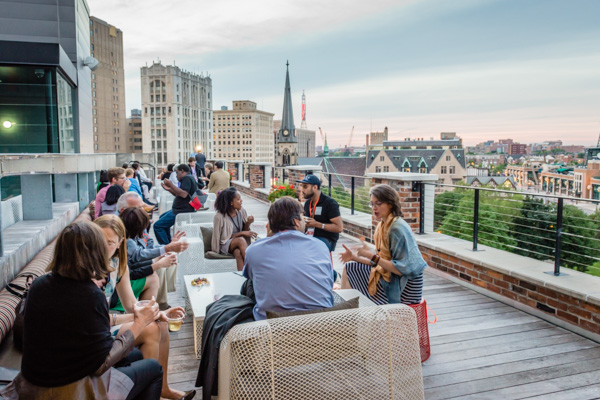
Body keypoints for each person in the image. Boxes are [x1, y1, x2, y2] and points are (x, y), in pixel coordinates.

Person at [0, 221, 164, 399]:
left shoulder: (39, 285)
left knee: (134, 355)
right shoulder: (90, 295)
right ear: (95, 252)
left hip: (33, 385)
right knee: (154, 369)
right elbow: (100, 364)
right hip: (68, 389)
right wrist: (139, 323)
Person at [94, 215, 195, 400]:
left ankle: (162, 387)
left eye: (109, 242)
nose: (102, 247)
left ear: (119, 243)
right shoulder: (88, 267)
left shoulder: (118, 263)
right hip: (97, 331)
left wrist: (158, 313)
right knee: (152, 330)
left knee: (161, 324)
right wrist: (145, 317)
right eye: (99, 240)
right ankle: (147, 391)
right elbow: (94, 319)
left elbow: (131, 305)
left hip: (107, 323)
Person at [243, 196, 335, 320]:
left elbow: (251, 276)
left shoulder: (254, 250)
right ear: (296, 222)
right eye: (303, 217)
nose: (305, 221)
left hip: (273, 328)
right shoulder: (321, 246)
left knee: (248, 283)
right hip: (319, 325)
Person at [340, 184, 426, 305]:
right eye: (372, 204)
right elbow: (381, 262)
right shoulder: (384, 225)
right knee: (351, 266)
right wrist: (354, 257)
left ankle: (348, 315)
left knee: (350, 269)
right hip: (394, 277)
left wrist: (371, 256)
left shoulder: (396, 228)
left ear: (390, 204)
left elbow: (400, 269)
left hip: (407, 287)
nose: (374, 208)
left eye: (378, 203)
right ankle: (350, 313)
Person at [120, 207, 188, 310]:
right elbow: (136, 261)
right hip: (126, 283)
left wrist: (168, 247)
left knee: (167, 257)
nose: (144, 207)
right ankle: (158, 306)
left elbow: (150, 246)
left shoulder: (136, 228)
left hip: (134, 270)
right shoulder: (127, 240)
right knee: (156, 273)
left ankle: (161, 301)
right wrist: (159, 259)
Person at [212, 187, 256, 271]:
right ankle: (254, 268)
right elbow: (218, 237)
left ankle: (244, 279)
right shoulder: (219, 217)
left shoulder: (242, 211)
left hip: (239, 243)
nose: (241, 201)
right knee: (240, 240)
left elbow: (244, 230)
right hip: (225, 244)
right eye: (238, 199)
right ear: (231, 202)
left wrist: (248, 223)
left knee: (238, 253)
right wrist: (241, 233)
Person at [297, 174, 344, 252]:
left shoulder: (330, 203)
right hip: (311, 236)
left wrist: (317, 224)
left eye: (305, 187)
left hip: (327, 239)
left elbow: (339, 228)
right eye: (302, 186)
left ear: (315, 187)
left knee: (310, 248)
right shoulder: (308, 203)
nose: (302, 190)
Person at [154, 164, 198, 245]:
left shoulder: (187, 178)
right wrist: (170, 189)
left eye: (177, 173)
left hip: (182, 210)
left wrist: (171, 185)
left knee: (158, 226)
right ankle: (169, 243)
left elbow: (184, 194)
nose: (176, 175)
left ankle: (167, 248)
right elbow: (179, 194)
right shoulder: (187, 178)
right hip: (179, 209)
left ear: (182, 171)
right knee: (161, 218)